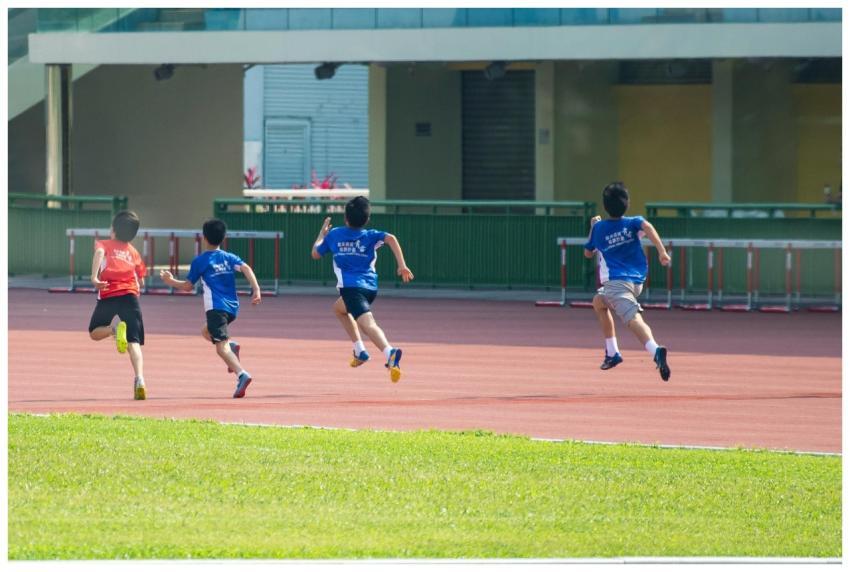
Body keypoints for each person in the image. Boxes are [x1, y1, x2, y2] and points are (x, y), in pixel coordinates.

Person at [311, 196, 414, 383]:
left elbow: (315, 253)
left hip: (351, 289)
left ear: (346, 218)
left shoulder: (334, 235)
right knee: (339, 309)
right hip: (370, 288)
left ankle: (389, 352)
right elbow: (391, 238)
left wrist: (322, 234)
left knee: (368, 324)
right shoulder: (370, 235)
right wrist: (402, 265)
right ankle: (360, 351)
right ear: (366, 219)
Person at [160, 219, 261, 398]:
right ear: (223, 237)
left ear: (204, 238)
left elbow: (187, 286)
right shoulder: (229, 257)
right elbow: (246, 268)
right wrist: (256, 289)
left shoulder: (200, 261)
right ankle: (232, 346)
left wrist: (170, 281)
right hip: (232, 309)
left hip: (216, 308)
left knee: (220, 348)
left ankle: (242, 374)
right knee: (206, 331)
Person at [584, 182, 672, 381]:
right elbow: (648, 227)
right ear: (627, 203)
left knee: (632, 318)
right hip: (636, 282)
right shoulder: (633, 222)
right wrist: (662, 251)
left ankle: (655, 350)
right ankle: (612, 352)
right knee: (599, 302)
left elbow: (588, 253)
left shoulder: (599, 228)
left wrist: (593, 228)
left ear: (605, 206)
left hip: (617, 283)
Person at [88, 210, 148, 399]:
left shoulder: (103, 244)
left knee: (94, 332)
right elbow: (142, 279)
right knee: (134, 342)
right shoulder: (133, 252)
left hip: (108, 294)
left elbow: (99, 252)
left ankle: (114, 330)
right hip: (130, 296)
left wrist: (94, 276)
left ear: (113, 230)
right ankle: (140, 379)